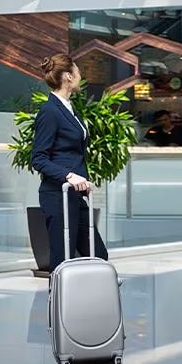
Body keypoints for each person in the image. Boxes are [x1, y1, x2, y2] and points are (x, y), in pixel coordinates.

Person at [31, 54, 108, 272]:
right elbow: (38, 158)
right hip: (58, 195)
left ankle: (89, 304)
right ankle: (57, 303)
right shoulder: (50, 111)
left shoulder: (69, 109)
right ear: (67, 76)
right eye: (78, 71)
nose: (80, 76)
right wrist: (69, 176)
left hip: (75, 197)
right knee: (63, 260)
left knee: (98, 254)